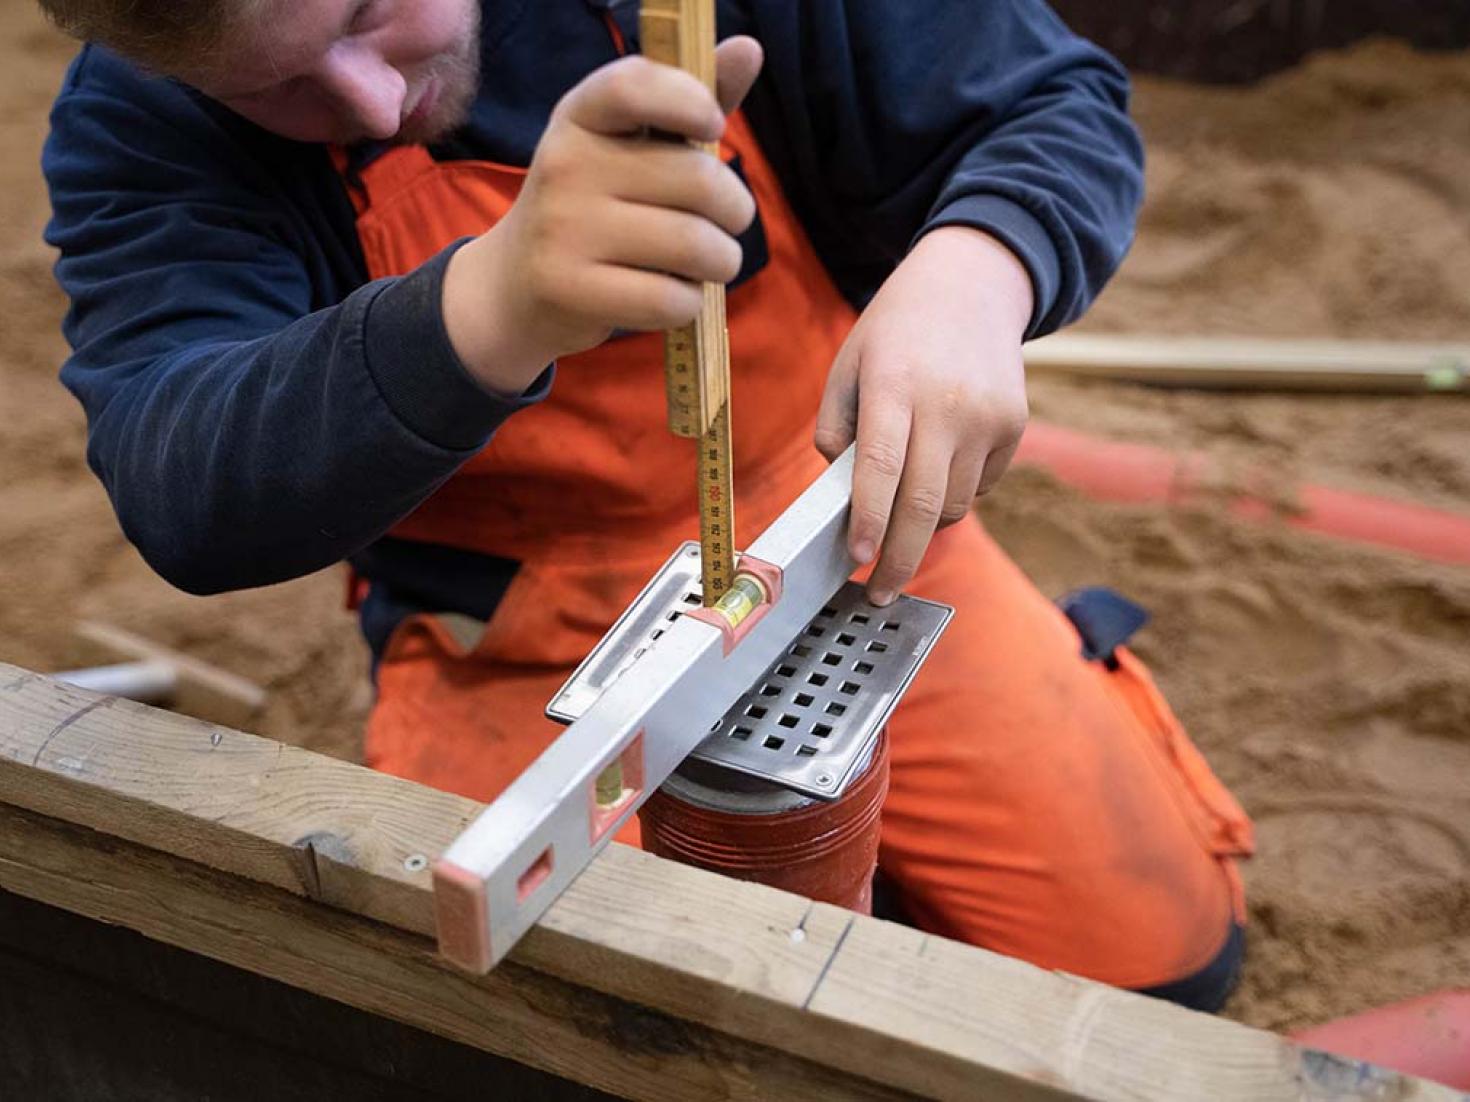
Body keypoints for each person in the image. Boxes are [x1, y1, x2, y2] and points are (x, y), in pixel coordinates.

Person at [38, 0, 1254, 1009]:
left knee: (1166, 969)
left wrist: (980, 269)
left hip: (850, 528)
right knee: (577, 1016)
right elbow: (182, 487)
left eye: (368, 12)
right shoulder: (140, 116)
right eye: (278, 86)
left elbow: (1052, 102)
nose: (364, 100)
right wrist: (490, 305)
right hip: (518, 623)